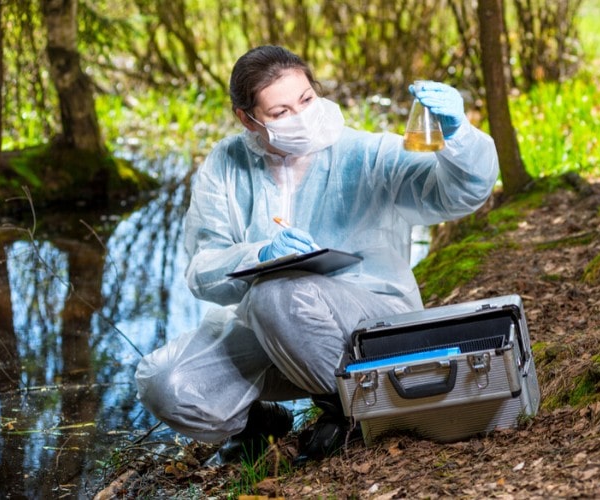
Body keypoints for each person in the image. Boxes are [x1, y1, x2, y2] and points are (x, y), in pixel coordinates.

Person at [135, 45, 500, 464]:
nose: (300, 117)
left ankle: (351, 410)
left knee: (278, 295)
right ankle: (260, 422)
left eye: (306, 99)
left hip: (369, 319)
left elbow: (458, 193)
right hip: (266, 324)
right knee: (168, 382)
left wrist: (459, 138)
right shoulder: (226, 166)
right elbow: (202, 270)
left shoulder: (365, 154)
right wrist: (260, 254)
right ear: (247, 119)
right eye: (280, 112)